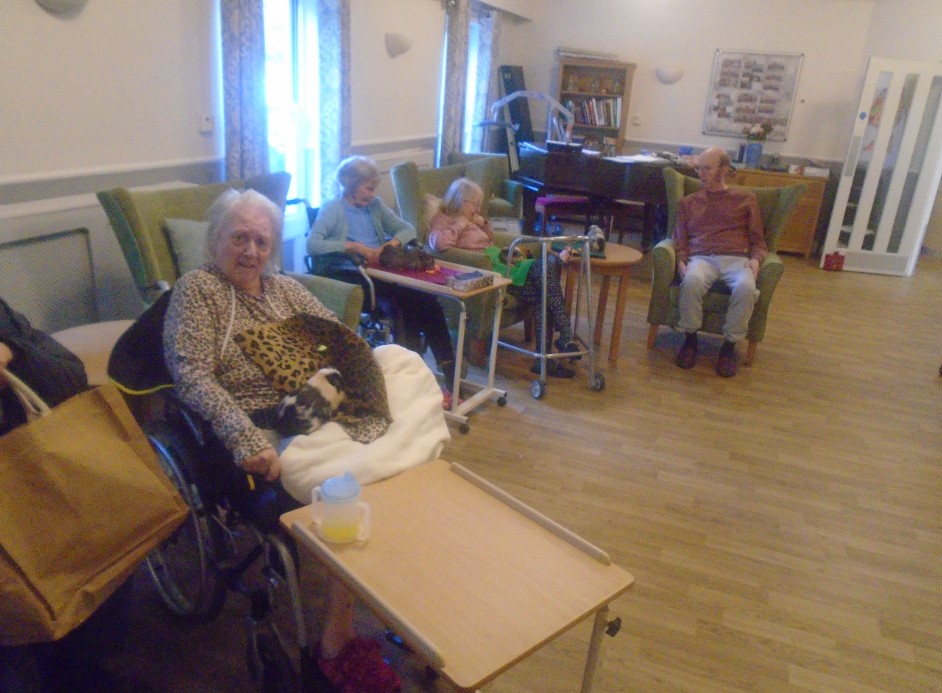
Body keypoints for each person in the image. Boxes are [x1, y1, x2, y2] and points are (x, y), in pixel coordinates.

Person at [163, 189, 401, 692]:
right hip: (256, 424)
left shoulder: (282, 289)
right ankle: (336, 639)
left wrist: (373, 368)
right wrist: (244, 435)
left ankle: (385, 594)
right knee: (354, 485)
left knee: (400, 374)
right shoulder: (197, 290)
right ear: (216, 240)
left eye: (262, 241)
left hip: (313, 408)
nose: (251, 251)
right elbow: (192, 377)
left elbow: (340, 338)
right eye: (240, 237)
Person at [308, 155, 459, 407]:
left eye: (374, 187)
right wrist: (351, 246)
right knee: (402, 309)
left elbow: (407, 228)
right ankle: (410, 381)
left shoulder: (375, 206)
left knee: (427, 301)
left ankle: (450, 377)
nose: (372, 193)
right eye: (368, 187)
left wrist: (391, 243)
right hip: (355, 280)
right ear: (349, 183)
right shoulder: (332, 209)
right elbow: (313, 244)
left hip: (381, 275)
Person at [427, 177, 578, 378]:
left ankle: (544, 360)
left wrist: (483, 223)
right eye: (475, 204)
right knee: (546, 270)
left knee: (543, 291)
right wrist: (463, 222)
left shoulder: (472, 219)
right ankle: (564, 336)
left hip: (499, 262)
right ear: (462, 201)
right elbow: (438, 244)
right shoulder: (444, 218)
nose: (478, 209)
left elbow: (489, 239)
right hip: (490, 268)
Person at [673, 146, 767, 378]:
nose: (700, 174)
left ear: (723, 170)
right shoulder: (688, 202)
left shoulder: (745, 199)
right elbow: (680, 237)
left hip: (736, 258)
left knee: (746, 288)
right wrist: (681, 260)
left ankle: (729, 347)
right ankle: (690, 340)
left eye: (707, 169)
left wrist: (756, 259)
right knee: (692, 281)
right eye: (699, 169)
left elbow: (758, 238)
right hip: (701, 257)